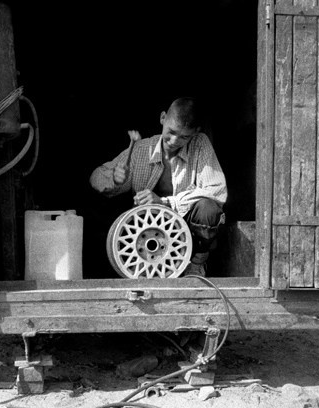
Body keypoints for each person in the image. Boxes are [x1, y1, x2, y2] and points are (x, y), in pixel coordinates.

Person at [90, 97, 227, 276]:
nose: (174, 140)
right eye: (171, 131)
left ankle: (195, 267)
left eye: (184, 136)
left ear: (195, 132)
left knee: (208, 209)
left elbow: (217, 189)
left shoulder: (200, 144)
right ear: (162, 118)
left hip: (186, 232)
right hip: (146, 232)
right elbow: (96, 177)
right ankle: (142, 269)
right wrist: (115, 179)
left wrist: (165, 202)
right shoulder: (140, 149)